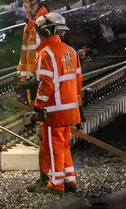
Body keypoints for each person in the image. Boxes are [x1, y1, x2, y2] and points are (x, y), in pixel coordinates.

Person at [22, 12, 82, 195]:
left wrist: (38, 107)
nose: (38, 36)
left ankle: (56, 184)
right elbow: (78, 80)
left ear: (45, 32)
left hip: (54, 110)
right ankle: (69, 179)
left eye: (39, 32)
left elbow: (46, 85)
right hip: (70, 108)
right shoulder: (70, 51)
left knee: (53, 144)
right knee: (64, 144)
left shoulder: (45, 54)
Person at [18, 0, 50, 87]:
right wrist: (22, 72)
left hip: (40, 76)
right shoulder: (29, 23)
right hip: (31, 75)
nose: (23, 5)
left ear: (34, 1)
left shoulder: (46, 22)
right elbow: (25, 50)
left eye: (26, 2)